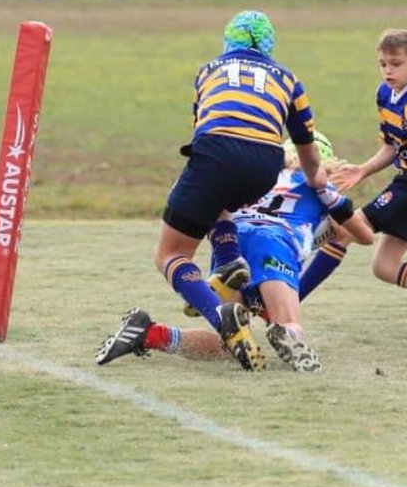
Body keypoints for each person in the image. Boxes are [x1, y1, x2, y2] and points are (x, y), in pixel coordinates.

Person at [99, 134, 373, 372]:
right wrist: (333, 214)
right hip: (275, 240)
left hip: (232, 241)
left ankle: (151, 334)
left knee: (232, 342)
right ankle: (286, 331)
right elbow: (364, 235)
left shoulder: (265, 174)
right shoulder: (322, 187)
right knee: (288, 319)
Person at [151, 9, 326, 370]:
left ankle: (223, 321)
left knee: (170, 254)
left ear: (227, 40)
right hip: (266, 165)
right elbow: (306, 146)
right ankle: (230, 261)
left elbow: (203, 130)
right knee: (223, 197)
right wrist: (316, 178)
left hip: (216, 151)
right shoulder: (290, 79)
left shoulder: (208, 70)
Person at [298, 29, 407, 303]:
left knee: (343, 229)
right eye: (383, 64)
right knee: (385, 267)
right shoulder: (386, 93)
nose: (388, 71)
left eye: (396, 64)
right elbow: (392, 146)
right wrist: (363, 170)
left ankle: (287, 301)